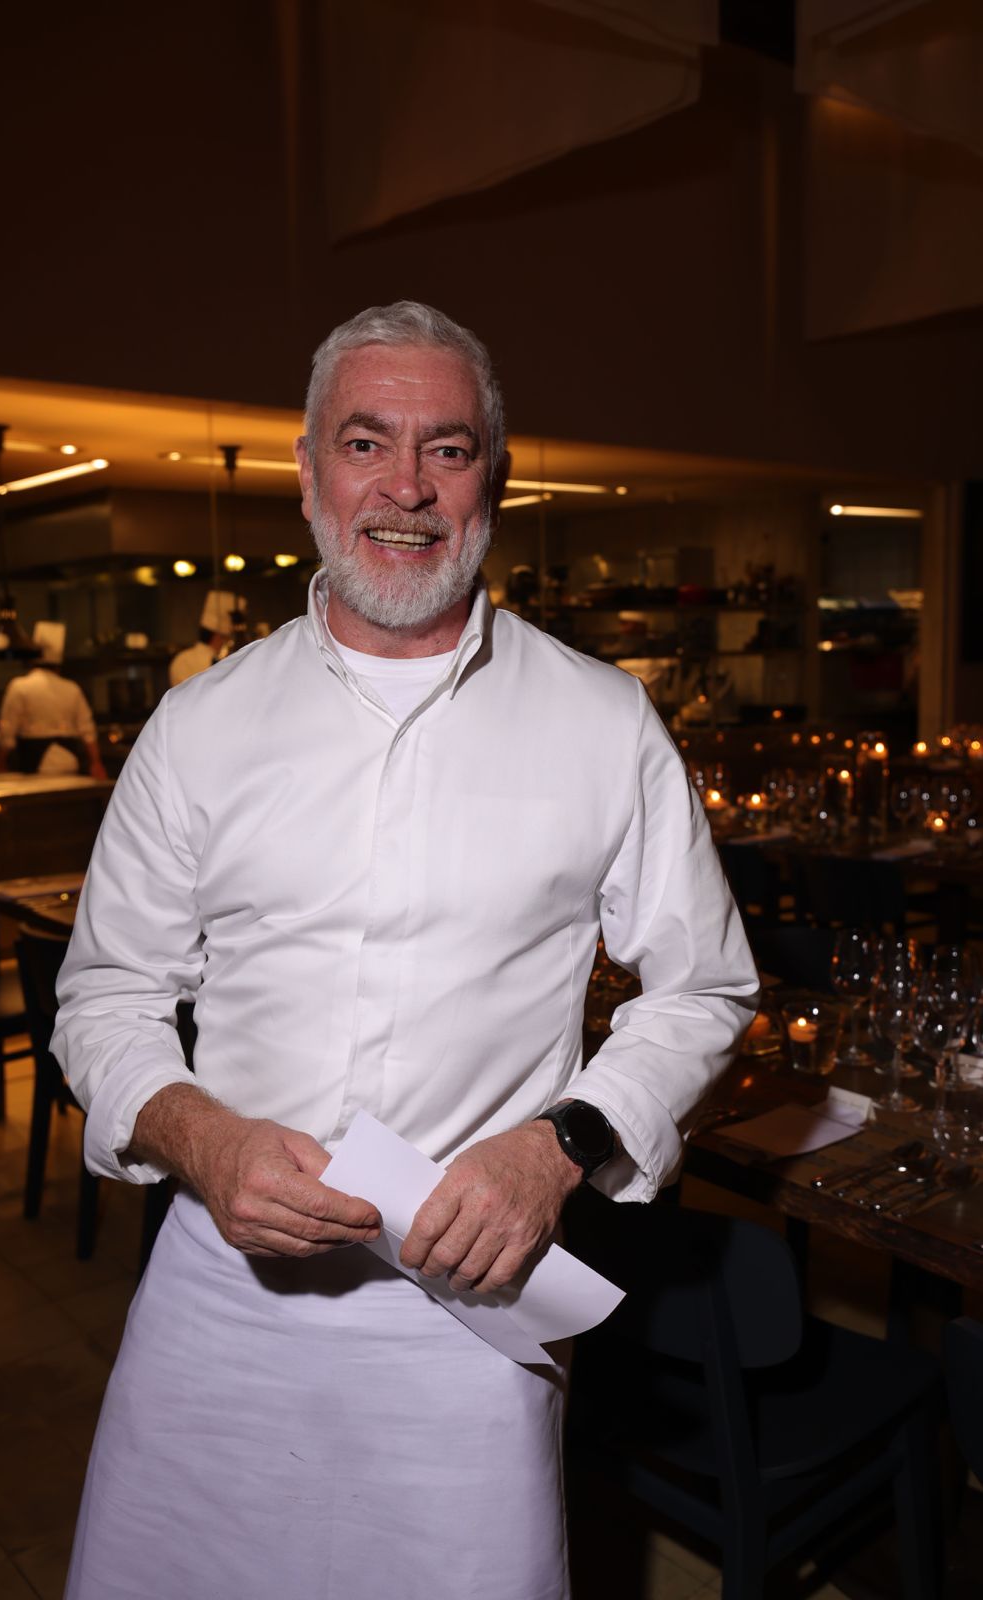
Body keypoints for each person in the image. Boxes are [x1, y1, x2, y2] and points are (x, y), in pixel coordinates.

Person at [53, 301, 758, 1600]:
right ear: (307, 473)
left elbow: (703, 988)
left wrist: (557, 1147)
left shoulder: (603, 721)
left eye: (447, 448)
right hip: (222, 1300)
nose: (406, 487)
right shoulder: (198, 726)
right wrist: (202, 1138)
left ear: (494, 477)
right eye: (366, 442)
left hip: (473, 1308)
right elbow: (105, 995)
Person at [0, 622, 107, 778]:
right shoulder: (72, 688)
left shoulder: (19, 686)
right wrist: (96, 762)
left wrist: (0, 762)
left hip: (33, 763)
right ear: (59, 665)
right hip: (69, 761)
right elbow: (88, 730)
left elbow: (7, 730)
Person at [168, 590, 244, 685]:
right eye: (227, 637)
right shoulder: (184, 661)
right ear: (218, 637)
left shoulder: (182, 659)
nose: (229, 641)